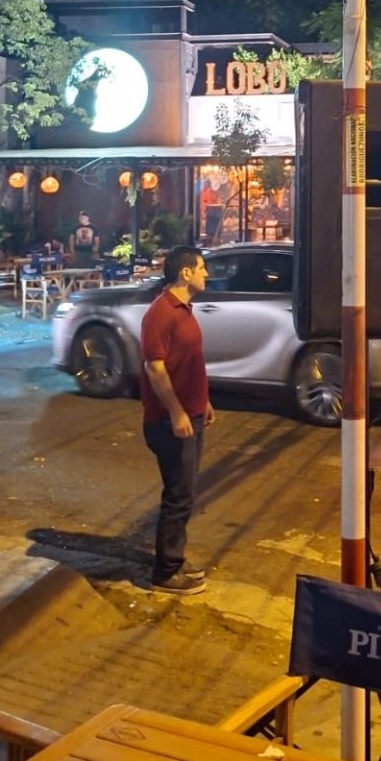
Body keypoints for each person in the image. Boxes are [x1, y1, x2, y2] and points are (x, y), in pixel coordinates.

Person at [139, 246, 216, 594]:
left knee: (185, 493)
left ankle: (175, 559)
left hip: (191, 415)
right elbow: (154, 368)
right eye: (201, 268)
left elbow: (187, 362)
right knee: (178, 495)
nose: (206, 274)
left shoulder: (184, 309)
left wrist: (203, 401)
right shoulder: (160, 313)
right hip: (169, 422)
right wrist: (176, 411)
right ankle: (166, 572)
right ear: (186, 273)